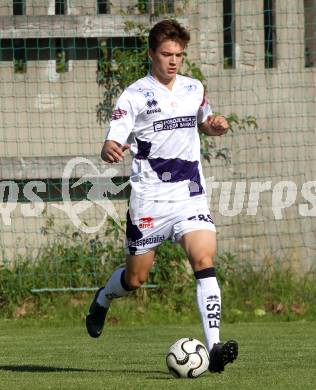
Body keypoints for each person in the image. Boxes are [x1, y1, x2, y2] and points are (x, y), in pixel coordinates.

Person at [86, 19, 238, 373]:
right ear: (151, 54)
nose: (173, 61)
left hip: (189, 195)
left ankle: (215, 348)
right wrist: (110, 147)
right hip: (150, 200)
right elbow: (115, 137)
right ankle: (102, 299)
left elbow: (205, 119)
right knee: (135, 278)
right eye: (166, 54)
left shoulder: (193, 88)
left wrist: (215, 124)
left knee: (204, 259)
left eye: (179, 55)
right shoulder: (134, 95)